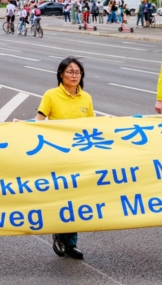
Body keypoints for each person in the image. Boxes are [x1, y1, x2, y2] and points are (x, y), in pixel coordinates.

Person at [36, 57, 94, 260]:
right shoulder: (51, 95)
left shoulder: (86, 98)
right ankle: (61, 234)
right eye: (70, 72)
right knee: (63, 198)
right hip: (58, 156)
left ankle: (71, 243)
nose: (74, 75)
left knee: (76, 200)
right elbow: (39, 122)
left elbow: (91, 127)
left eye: (77, 72)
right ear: (61, 74)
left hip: (78, 155)